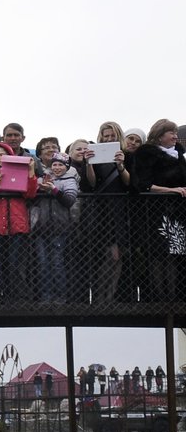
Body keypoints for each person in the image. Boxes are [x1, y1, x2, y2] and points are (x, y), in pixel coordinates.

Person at [130, 119, 186, 302]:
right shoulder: (147, 154)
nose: (175, 136)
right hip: (155, 213)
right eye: (171, 132)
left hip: (176, 213)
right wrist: (170, 190)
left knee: (173, 254)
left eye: (175, 132)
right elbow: (142, 183)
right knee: (158, 255)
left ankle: (173, 296)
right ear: (160, 135)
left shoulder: (178, 155)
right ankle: (159, 298)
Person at [82, 121, 133, 304]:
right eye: (106, 136)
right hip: (100, 210)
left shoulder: (127, 156)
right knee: (103, 255)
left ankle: (109, 296)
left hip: (120, 209)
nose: (109, 138)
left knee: (117, 254)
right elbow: (91, 184)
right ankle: (99, 297)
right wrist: (88, 163)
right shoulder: (94, 154)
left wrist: (120, 165)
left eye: (112, 136)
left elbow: (129, 183)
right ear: (100, 137)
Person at [0, 141, 38, 302]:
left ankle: (19, 297)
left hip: (17, 223)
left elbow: (30, 194)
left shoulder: (20, 174)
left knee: (15, 263)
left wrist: (31, 172)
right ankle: (1, 293)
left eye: (2, 154)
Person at [30, 151, 79, 304]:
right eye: (54, 165)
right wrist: (39, 189)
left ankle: (60, 297)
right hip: (42, 228)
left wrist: (55, 191)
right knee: (43, 264)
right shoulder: (43, 178)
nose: (57, 167)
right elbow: (30, 192)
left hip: (60, 228)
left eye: (60, 165)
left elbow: (70, 199)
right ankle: (46, 297)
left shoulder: (70, 180)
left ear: (66, 167)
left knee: (57, 263)